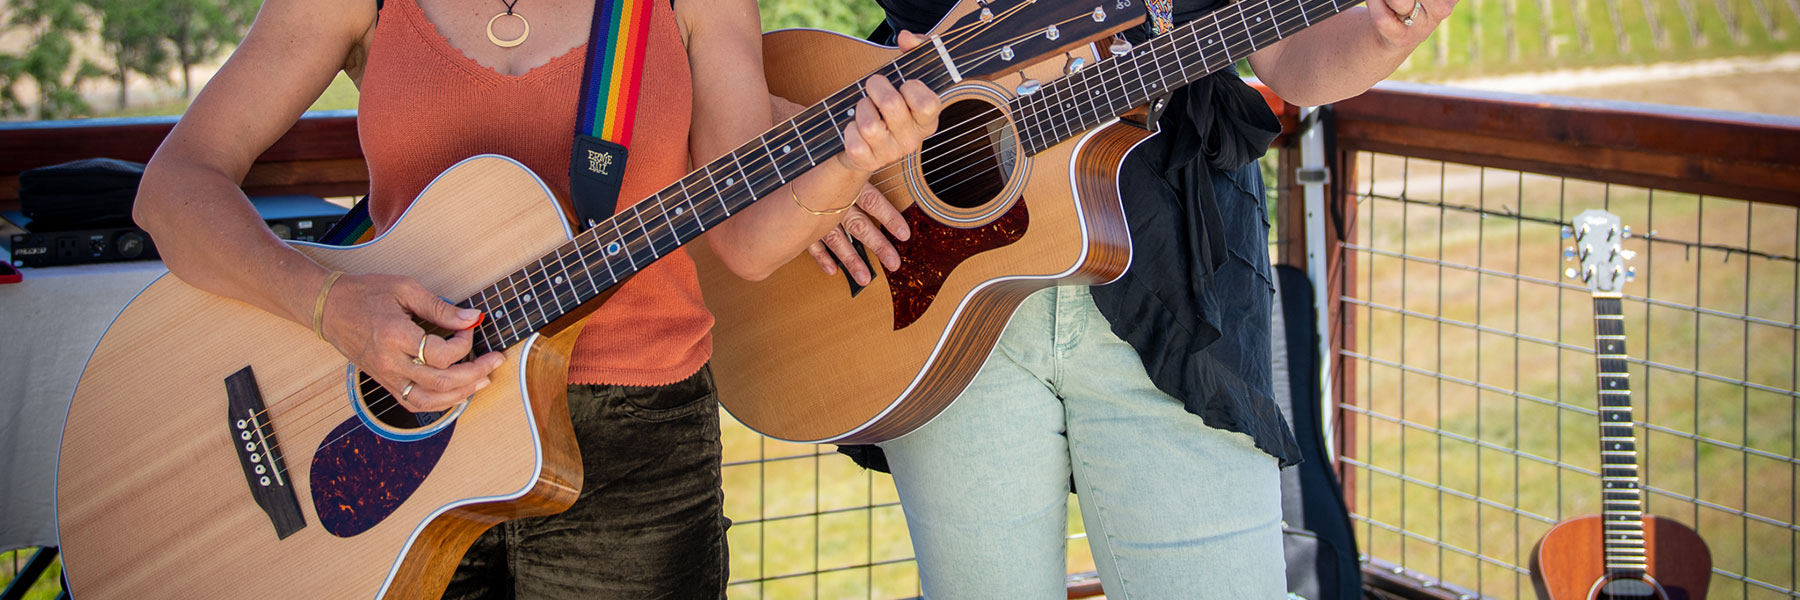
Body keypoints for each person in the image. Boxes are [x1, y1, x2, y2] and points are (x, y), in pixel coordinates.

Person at [131, 0, 939, 597]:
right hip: (402, 426)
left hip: (632, 453)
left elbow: (746, 242)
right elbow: (172, 189)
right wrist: (328, 303)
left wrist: (851, 161)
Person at [811, 0, 1458, 596]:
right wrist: (817, 152)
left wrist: (1386, 29)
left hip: (1178, 276)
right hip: (937, 262)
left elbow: (1292, 58)